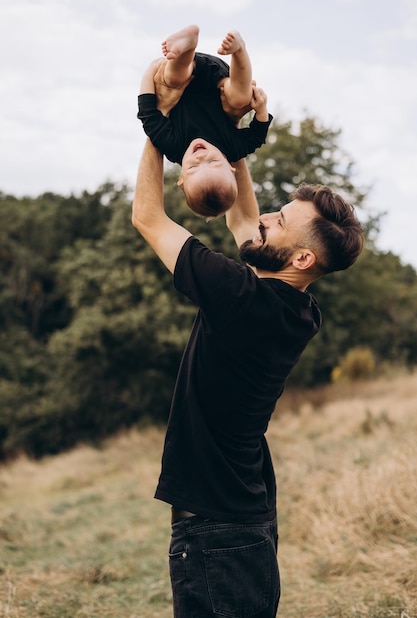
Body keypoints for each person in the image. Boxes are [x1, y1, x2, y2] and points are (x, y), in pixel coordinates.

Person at [131, 136, 364, 617]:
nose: (264, 218)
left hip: (219, 528)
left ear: (302, 259)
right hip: (241, 524)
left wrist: (156, 131)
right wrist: (234, 140)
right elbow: (242, 220)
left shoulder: (240, 296)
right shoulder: (297, 310)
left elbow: (148, 218)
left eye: (280, 222)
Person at [137, 25, 273, 219]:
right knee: (241, 99)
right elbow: (257, 136)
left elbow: (148, 115)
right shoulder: (232, 148)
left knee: (173, 78)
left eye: (193, 167)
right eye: (213, 161)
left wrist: (149, 73)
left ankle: (189, 44)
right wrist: (261, 109)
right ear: (230, 165)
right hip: (218, 82)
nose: (200, 158)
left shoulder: (173, 146)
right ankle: (239, 49)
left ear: (181, 178)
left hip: (183, 79)